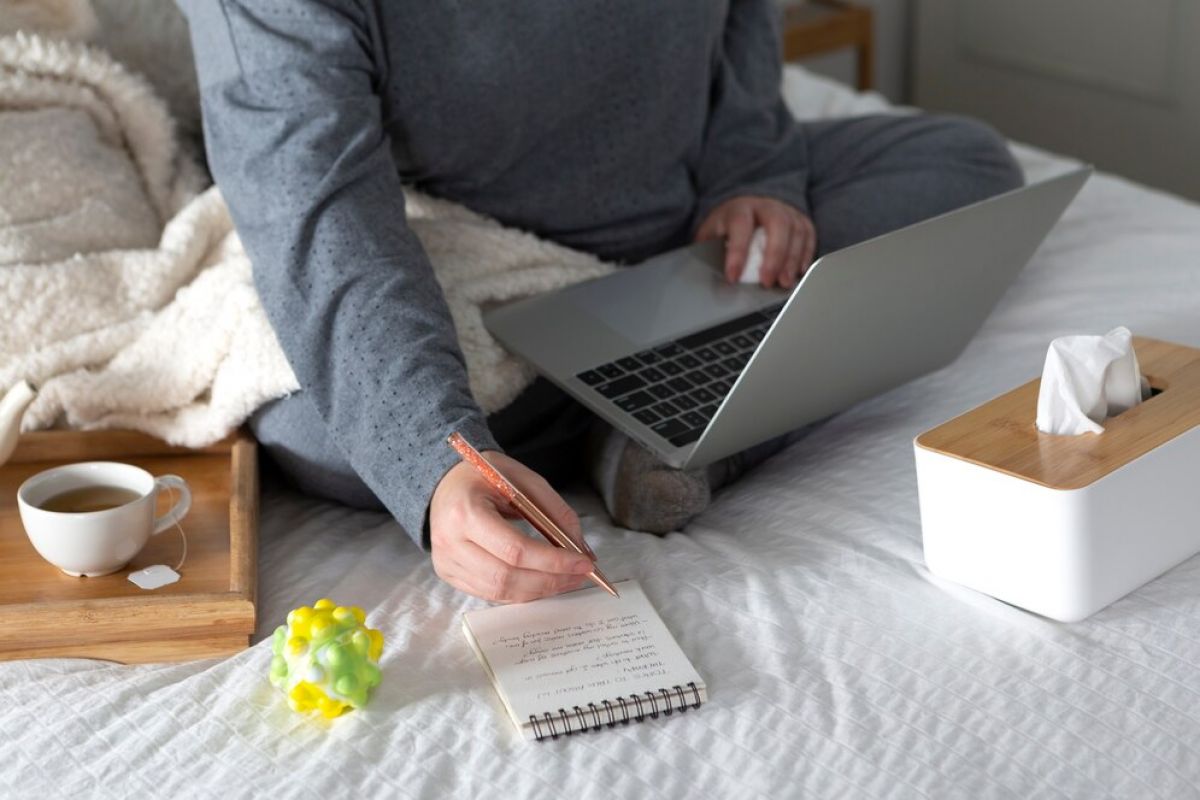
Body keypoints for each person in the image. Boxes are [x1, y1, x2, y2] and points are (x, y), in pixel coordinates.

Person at [181, 0, 1022, 604]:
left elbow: (740, 23)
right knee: (323, 431)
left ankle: (659, 418)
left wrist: (754, 175)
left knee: (964, 165)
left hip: (681, 224)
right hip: (467, 253)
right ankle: (678, 401)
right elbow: (325, 218)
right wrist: (437, 469)